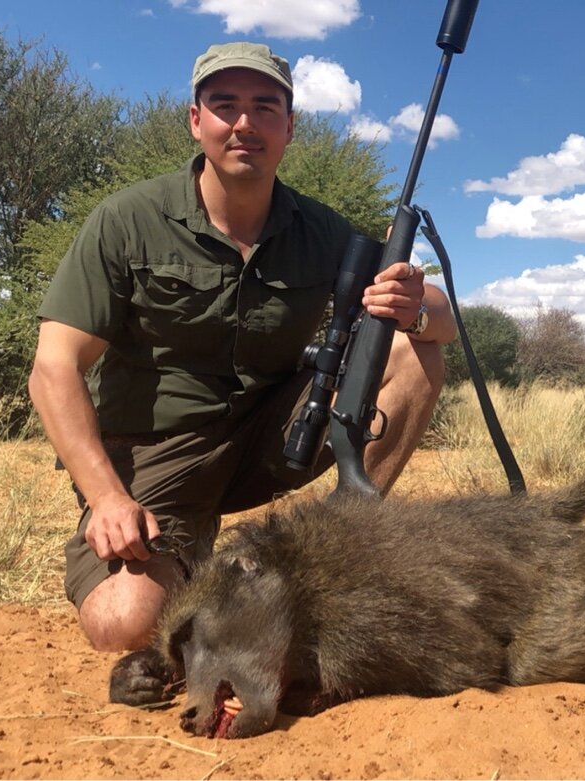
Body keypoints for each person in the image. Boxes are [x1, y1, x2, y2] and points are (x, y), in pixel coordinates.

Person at [27, 41, 456, 699]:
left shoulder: (321, 230)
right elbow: (53, 367)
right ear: (196, 120)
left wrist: (413, 304)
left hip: (271, 434)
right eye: (225, 106)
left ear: (289, 127)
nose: (244, 124)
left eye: (264, 107)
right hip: (154, 457)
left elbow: (441, 319)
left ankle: (347, 543)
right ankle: (193, 560)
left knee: (411, 351)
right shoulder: (127, 220)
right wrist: (108, 497)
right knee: (127, 623)